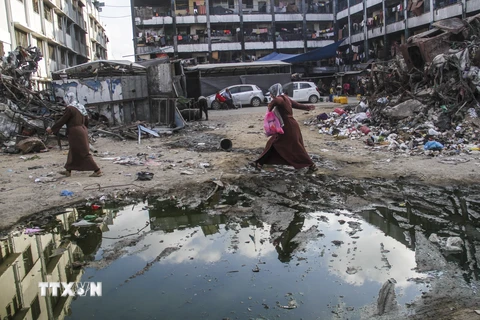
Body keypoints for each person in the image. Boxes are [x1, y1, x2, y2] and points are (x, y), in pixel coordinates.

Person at [252, 83, 317, 172]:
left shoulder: (280, 99)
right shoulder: (287, 98)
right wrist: (308, 107)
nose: (270, 95)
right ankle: (259, 163)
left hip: (287, 127)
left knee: (294, 147)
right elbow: (298, 105)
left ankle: (311, 165)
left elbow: (277, 101)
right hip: (290, 126)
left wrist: (270, 107)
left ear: (275, 92)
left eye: (271, 93)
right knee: (274, 143)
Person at [46, 92, 102, 177]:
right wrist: (84, 129)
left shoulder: (70, 108)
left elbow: (63, 120)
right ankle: (68, 170)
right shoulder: (80, 106)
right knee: (73, 150)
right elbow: (87, 120)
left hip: (75, 131)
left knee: (83, 152)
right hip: (82, 129)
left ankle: (97, 170)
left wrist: (52, 129)